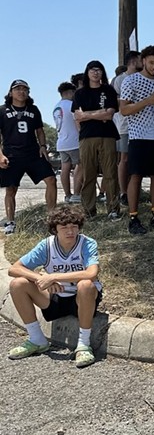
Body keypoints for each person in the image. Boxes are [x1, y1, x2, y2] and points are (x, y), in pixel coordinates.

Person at [7, 206, 102, 368]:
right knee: (18, 284)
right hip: (55, 297)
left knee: (86, 285)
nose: (70, 231)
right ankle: (37, 340)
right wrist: (40, 278)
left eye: (74, 227)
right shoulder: (47, 246)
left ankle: (83, 345)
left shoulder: (87, 243)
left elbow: (92, 273)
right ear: (55, 230)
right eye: (64, 227)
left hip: (82, 299)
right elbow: (14, 269)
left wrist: (53, 276)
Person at [119, 45, 154, 234]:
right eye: (151, 63)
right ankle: (133, 217)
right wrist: (146, 102)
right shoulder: (130, 81)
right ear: (143, 61)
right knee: (136, 176)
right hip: (138, 135)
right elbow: (124, 110)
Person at [0, 80, 57, 234]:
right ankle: (10, 222)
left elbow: (40, 131)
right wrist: (1, 155)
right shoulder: (2, 110)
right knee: (11, 189)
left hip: (33, 153)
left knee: (51, 179)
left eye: (25, 89)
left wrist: (43, 146)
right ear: (11, 92)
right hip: (12, 154)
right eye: (18, 89)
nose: (21, 91)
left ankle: (52, 217)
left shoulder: (33, 109)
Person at [72, 60, 121, 219]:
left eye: (99, 69)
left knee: (110, 173)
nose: (95, 72)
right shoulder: (80, 93)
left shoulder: (109, 90)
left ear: (103, 73)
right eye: (92, 70)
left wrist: (87, 114)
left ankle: (113, 209)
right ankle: (88, 210)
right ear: (87, 72)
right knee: (88, 174)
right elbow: (77, 117)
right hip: (86, 137)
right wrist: (98, 114)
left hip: (108, 135)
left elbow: (109, 114)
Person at [113, 51, 142, 205]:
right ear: (133, 61)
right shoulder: (119, 79)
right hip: (124, 125)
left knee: (135, 159)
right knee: (124, 159)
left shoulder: (140, 78)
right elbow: (116, 103)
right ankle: (124, 192)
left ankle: (135, 190)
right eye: (140, 59)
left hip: (140, 125)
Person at [53, 82, 82, 203]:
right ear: (70, 92)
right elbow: (78, 122)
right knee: (80, 166)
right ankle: (76, 193)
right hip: (74, 141)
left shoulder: (56, 106)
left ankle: (67, 195)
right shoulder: (72, 105)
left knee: (65, 167)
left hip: (62, 143)